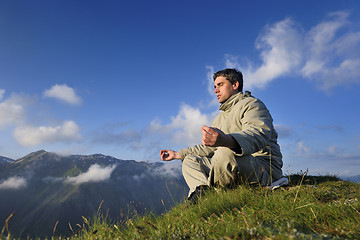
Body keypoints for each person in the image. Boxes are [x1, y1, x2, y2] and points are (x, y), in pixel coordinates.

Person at [160, 68, 283, 203]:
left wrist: (226, 140)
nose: (215, 90)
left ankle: (216, 196)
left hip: (262, 167)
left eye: (220, 85)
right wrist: (178, 154)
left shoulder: (253, 105)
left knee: (224, 152)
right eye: (214, 86)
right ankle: (201, 194)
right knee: (190, 160)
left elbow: (258, 133)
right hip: (232, 164)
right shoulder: (219, 118)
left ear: (235, 85)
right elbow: (210, 148)